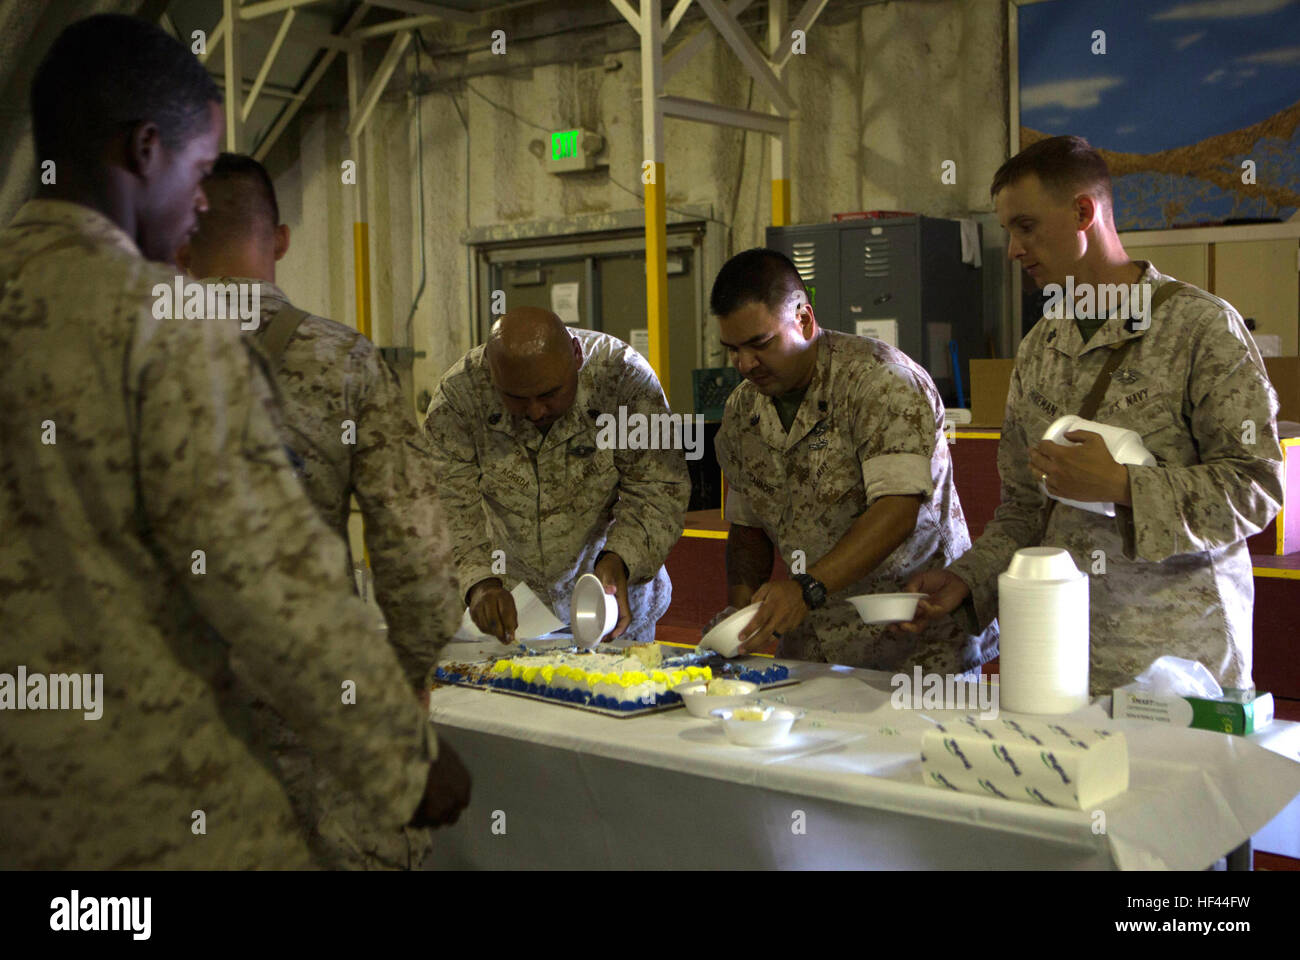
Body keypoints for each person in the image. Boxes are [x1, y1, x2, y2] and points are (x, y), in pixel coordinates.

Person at [0, 14, 459, 869]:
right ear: (144, 151)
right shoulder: (159, 327)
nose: (202, 200)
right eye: (198, 169)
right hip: (166, 805)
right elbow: (275, 582)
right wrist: (408, 755)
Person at [902, 135, 1284, 695]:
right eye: (1008, 230)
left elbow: (1258, 486)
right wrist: (965, 580)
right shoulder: (1038, 350)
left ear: (1083, 212)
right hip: (1060, 659)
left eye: (1025, 227)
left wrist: (1126, 485)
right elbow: (1026, 510)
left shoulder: (1199, 330)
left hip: (1178, 665)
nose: (1012, 249)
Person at [175, 153, 466, 869]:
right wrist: (411, 675)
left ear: (179, 243)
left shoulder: (123, 357)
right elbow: (416, 552)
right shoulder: (345, 362)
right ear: (279, 240)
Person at [710, 248, 995, 674]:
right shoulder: (742, 413)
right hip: (814, 642)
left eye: (760, 344)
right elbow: (750, 529)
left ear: (804, 320)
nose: (745, 364)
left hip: (915, 639)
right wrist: (738, 610)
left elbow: (896, 510)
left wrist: (805, 589)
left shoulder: (880, 382)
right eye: (732, 350)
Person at [424, 308, 690, 643]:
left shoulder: (623, 378)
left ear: (577, 357)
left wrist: (620, 558)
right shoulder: (460, 396)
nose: (535, 411)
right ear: (491, 375)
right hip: (511, 609)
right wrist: (478, 582)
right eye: (517, 398)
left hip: (610, 607)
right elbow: (444, 502)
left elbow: (658, 488)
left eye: (549, 394)